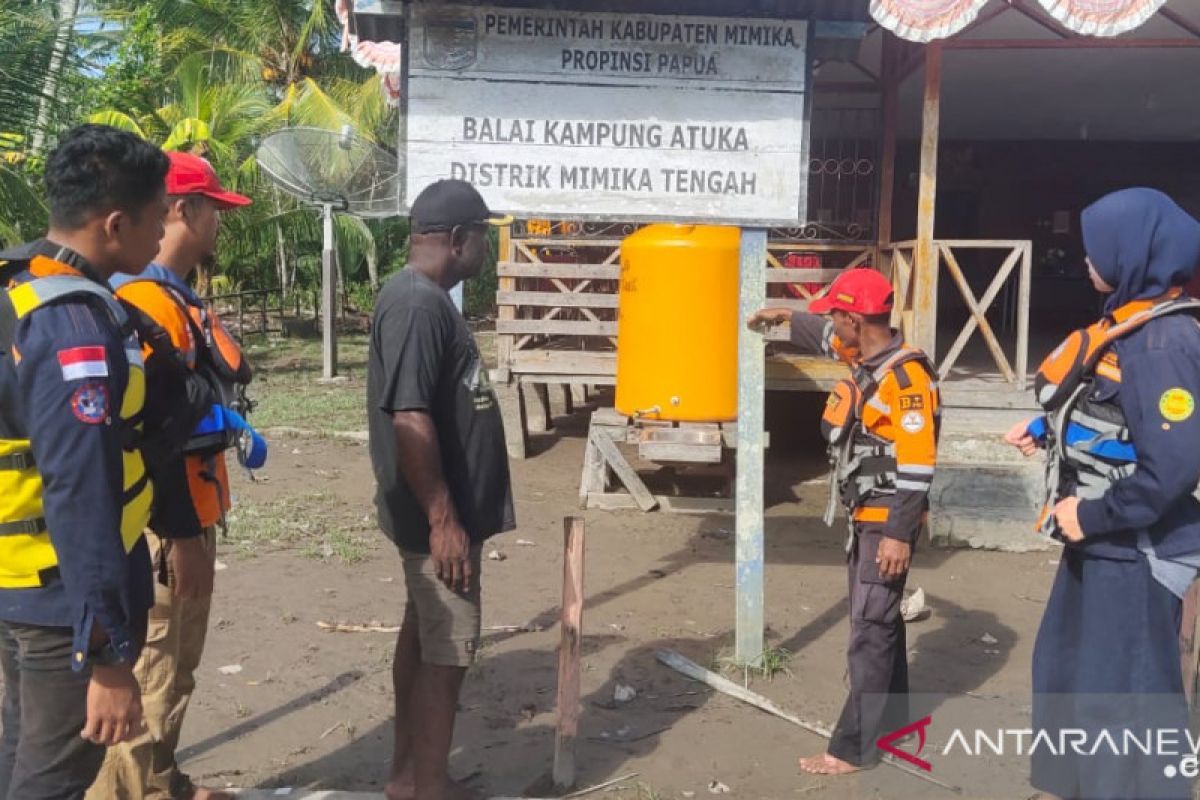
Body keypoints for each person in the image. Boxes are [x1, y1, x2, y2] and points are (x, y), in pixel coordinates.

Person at [1005, 188, 1200, 800]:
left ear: (1132, 252)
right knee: (1068, 679)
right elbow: (1110, 408)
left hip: (1134, 551)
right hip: (1099, 545)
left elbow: (1172, 466)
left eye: (1097, 247)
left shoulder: (1164, 345)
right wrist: (1045, 428)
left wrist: (1092, 514)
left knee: (1126, 706)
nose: (1086, 258)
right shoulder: (1128, 329)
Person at [0, 124, 169, 799]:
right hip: (58, 603)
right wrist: (105, 655)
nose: (160, 235)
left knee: (18, 756)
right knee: (50, 780)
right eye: (157, 218)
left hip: (19, 583)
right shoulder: (74, 324)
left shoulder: (17, 288)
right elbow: (81, 487)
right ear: (117, 222)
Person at [89, 151, 254, 800]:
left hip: (194, 514)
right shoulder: (144, 304)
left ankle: (162, 782)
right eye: (214, 208)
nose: (220, 223)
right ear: (183, 209)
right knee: (150, 674)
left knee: (175, 672)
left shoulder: (174, 298)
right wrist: (181, 536)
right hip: (165, 526)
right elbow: (150, 439)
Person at [747, 267, 940, 776]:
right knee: (880, 623)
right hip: (866, 518)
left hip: (887, 525)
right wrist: (786, 316)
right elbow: (822, 335)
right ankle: (893, 723)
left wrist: (899, 535)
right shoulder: (865, 355)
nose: (831, 322)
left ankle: (853, 748)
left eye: (837, 312)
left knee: (868, 632)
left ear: (856, 319)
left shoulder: (907, 381)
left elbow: (919, 467)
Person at [367, 179, 514, 800]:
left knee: (424, 635)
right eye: (484, 236)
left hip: (438, 515)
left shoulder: (423, 299)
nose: (488, 248)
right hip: (436, 520)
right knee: (448, 650)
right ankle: (427, 787)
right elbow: (409, 416)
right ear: (458, 239)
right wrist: (443, 517)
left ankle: (413, 775)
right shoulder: (418, 305)